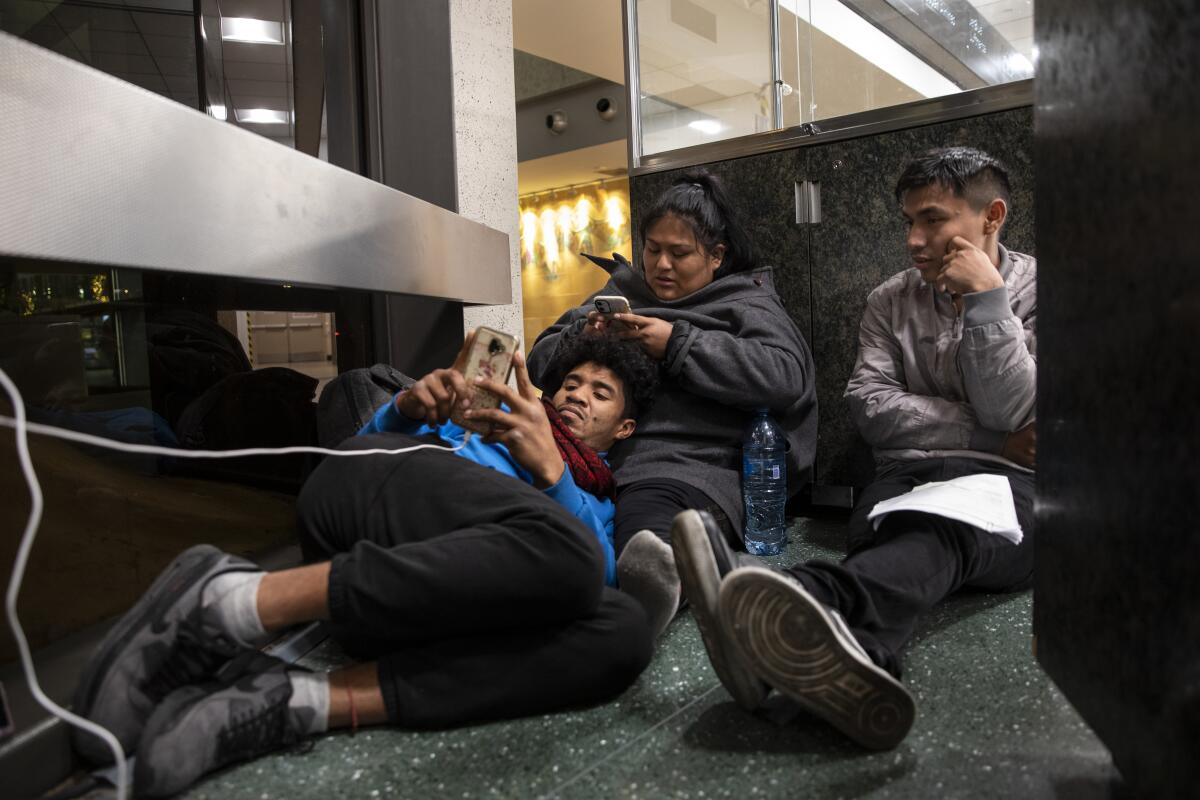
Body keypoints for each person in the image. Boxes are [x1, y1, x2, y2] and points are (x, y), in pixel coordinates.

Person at [70, 332, 659, 797]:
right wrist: (405, 409)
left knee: (624, 632)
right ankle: (228, 606)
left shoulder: (599, 502)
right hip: (366, 501)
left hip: (404, 606)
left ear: (624, 428)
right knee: (573, 559)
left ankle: (297, 704)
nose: (577, 395)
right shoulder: (489, 433)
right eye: (572, 384)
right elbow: (357, 457)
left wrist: (553, 472)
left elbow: (594, 578)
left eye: (600, 393)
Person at [673, 146, 1037, 749]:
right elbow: (871, 407)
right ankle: (862, 666)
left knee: (943, 527)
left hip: (1012, 486)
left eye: (934, 219)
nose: (915, 240)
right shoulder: (888, 300)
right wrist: (986, 435)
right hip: (908, 476)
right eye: (908, 222)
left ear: (991, 216)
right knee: (893, 528)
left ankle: (806, 594)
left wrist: (988, 302)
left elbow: (1015, 407)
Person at [527, 170, 818, 640]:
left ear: (717, 256)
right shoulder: (614, 298)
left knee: (646, 517)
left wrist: (677, 344)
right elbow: (540, 361)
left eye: (679, 253)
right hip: (585, 455)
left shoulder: (745, 302)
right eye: (652, 249)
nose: (661, 264)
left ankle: (660, 590)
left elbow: (783, 377)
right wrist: (582, 338)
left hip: (684, 469)